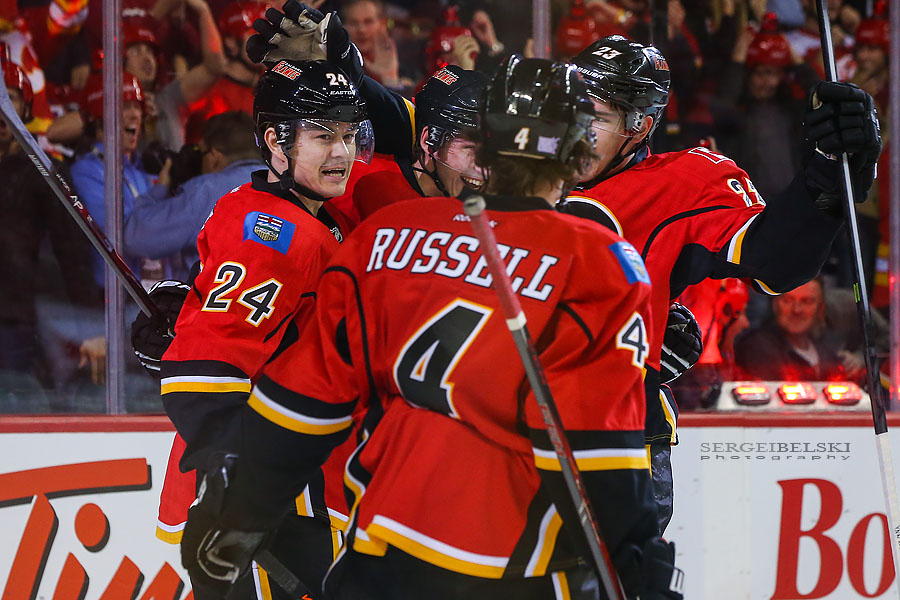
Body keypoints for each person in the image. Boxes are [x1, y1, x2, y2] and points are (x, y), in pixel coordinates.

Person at [179, 54, 683, 600]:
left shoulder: (384, 236)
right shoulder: (599, 260)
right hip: (515, 569)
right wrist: (644, 571)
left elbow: (301, 408)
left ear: (484, 143)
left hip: (380, 553)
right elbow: (603, 456)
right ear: (577, 152)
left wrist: (235, 510)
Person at [561, 34, 880, 532]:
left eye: (598, 119)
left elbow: (774, 262)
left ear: (641, 125)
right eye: (571, 111)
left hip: (615, 439)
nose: (576, 133)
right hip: (508, 427)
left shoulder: (680, 185)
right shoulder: (515, 164)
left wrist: (824, 181)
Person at [153, 59, 372, 599]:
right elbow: (207, 370)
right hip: (273, 502)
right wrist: (239, 492)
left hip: (300, 486)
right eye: (323, 136)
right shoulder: (274, 231)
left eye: (349, 136)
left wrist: (186, 311)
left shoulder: (311, 216)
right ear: (276, 140)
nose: (342, 152)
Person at [0, 54, 101, 383]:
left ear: (26, 110)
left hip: (15, 324)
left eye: (8, 98)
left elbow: (72, 251)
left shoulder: (43, 170)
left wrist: (90, 328)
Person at [125, 110, 264, 282]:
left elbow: (135, 237)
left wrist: (161, 188)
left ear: (215, 157)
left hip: (216, 304)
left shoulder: (208, 191)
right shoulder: (281, 182)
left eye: (201, 152)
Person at [734, 278, 846, 381]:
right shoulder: (756, 348)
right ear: (775, 305)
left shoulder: (827, 353)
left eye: (806, 301)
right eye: (788, 300)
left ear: (821, 308)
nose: (796, 310)